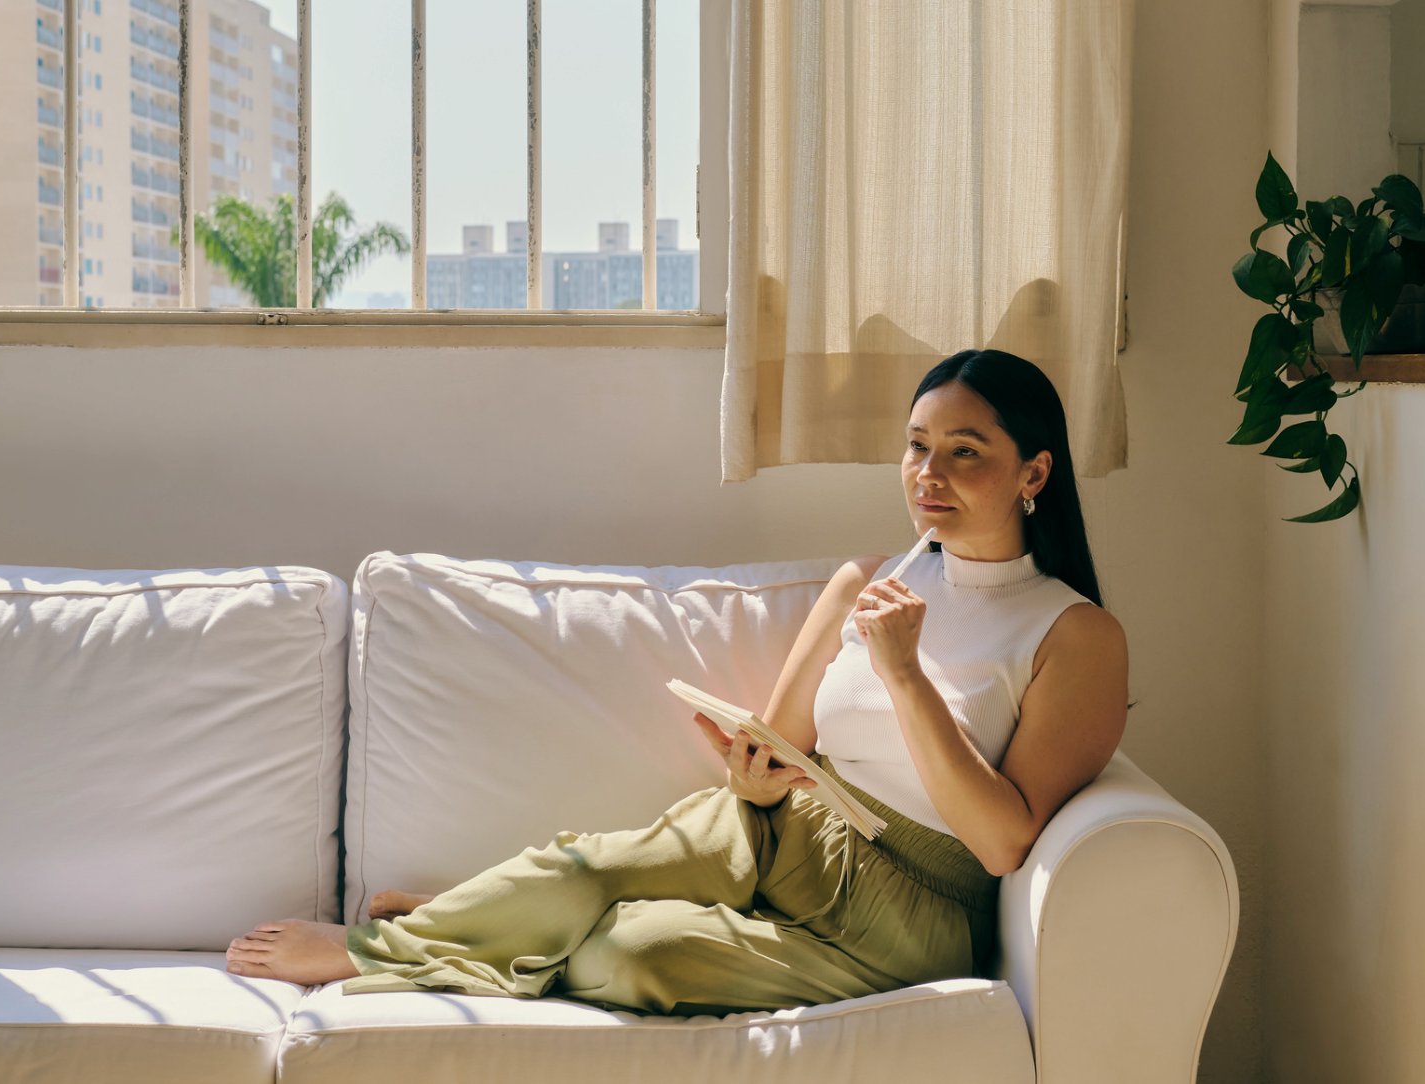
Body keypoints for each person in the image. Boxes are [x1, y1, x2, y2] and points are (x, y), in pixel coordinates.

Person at [224, 349, 1129, 1015]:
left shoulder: (1076, 636)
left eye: (964, 451)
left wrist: (906, 678)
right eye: (917, 445)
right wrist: (752, 772)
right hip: (791, 821)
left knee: (635, 958)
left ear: (1034, 472)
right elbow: (778, 745)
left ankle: (496, 926)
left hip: (909, 908)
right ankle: (388, 949)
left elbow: (1006, 843)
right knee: (584, 864)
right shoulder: (866, 577)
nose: (928, 474)